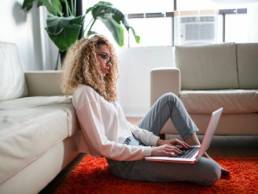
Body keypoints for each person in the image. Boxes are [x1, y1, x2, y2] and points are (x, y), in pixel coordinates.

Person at [62, 34, 228, 186]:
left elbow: (128, 127)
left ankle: (198, 152)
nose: (109, 64)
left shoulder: (101, 90)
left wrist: (158, 142)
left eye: (110, 58)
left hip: (137, 145)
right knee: (211, 171)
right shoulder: (84, 93)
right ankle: (198, 158)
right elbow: (102, 146)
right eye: (104, 57)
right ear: (88, 58)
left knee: (169, 99)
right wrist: (152, 151)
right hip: (126, 163)